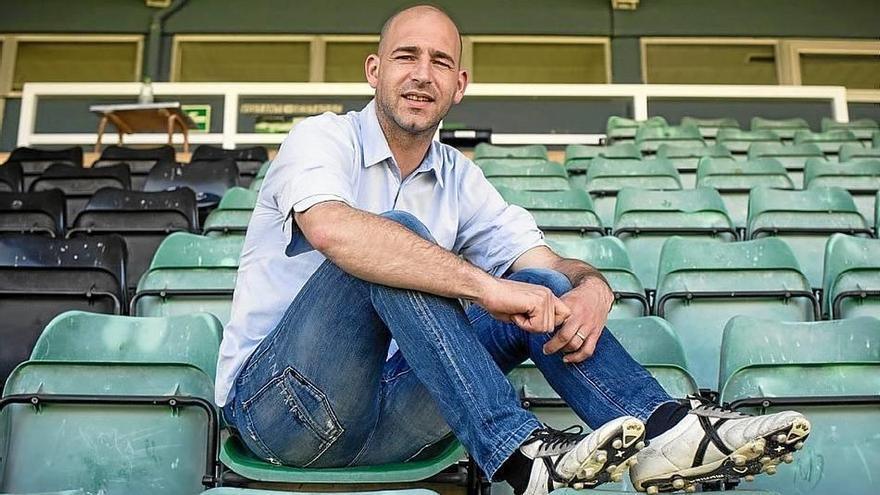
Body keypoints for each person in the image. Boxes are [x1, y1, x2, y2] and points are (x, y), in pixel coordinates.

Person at [215, 5, 811, 493]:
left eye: (440, 62)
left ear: (460, 85)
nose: (423, 74)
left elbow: (547, 265)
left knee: (549, 293)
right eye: (406, 57)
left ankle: (665, 434)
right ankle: (519, 452)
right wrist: (486, 286)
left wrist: (593, 289)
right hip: (283, 413)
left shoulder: (459, 178)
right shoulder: (320, 137)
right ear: (374, 71)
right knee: (389, 238)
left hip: (395, 418)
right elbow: (334, 232)